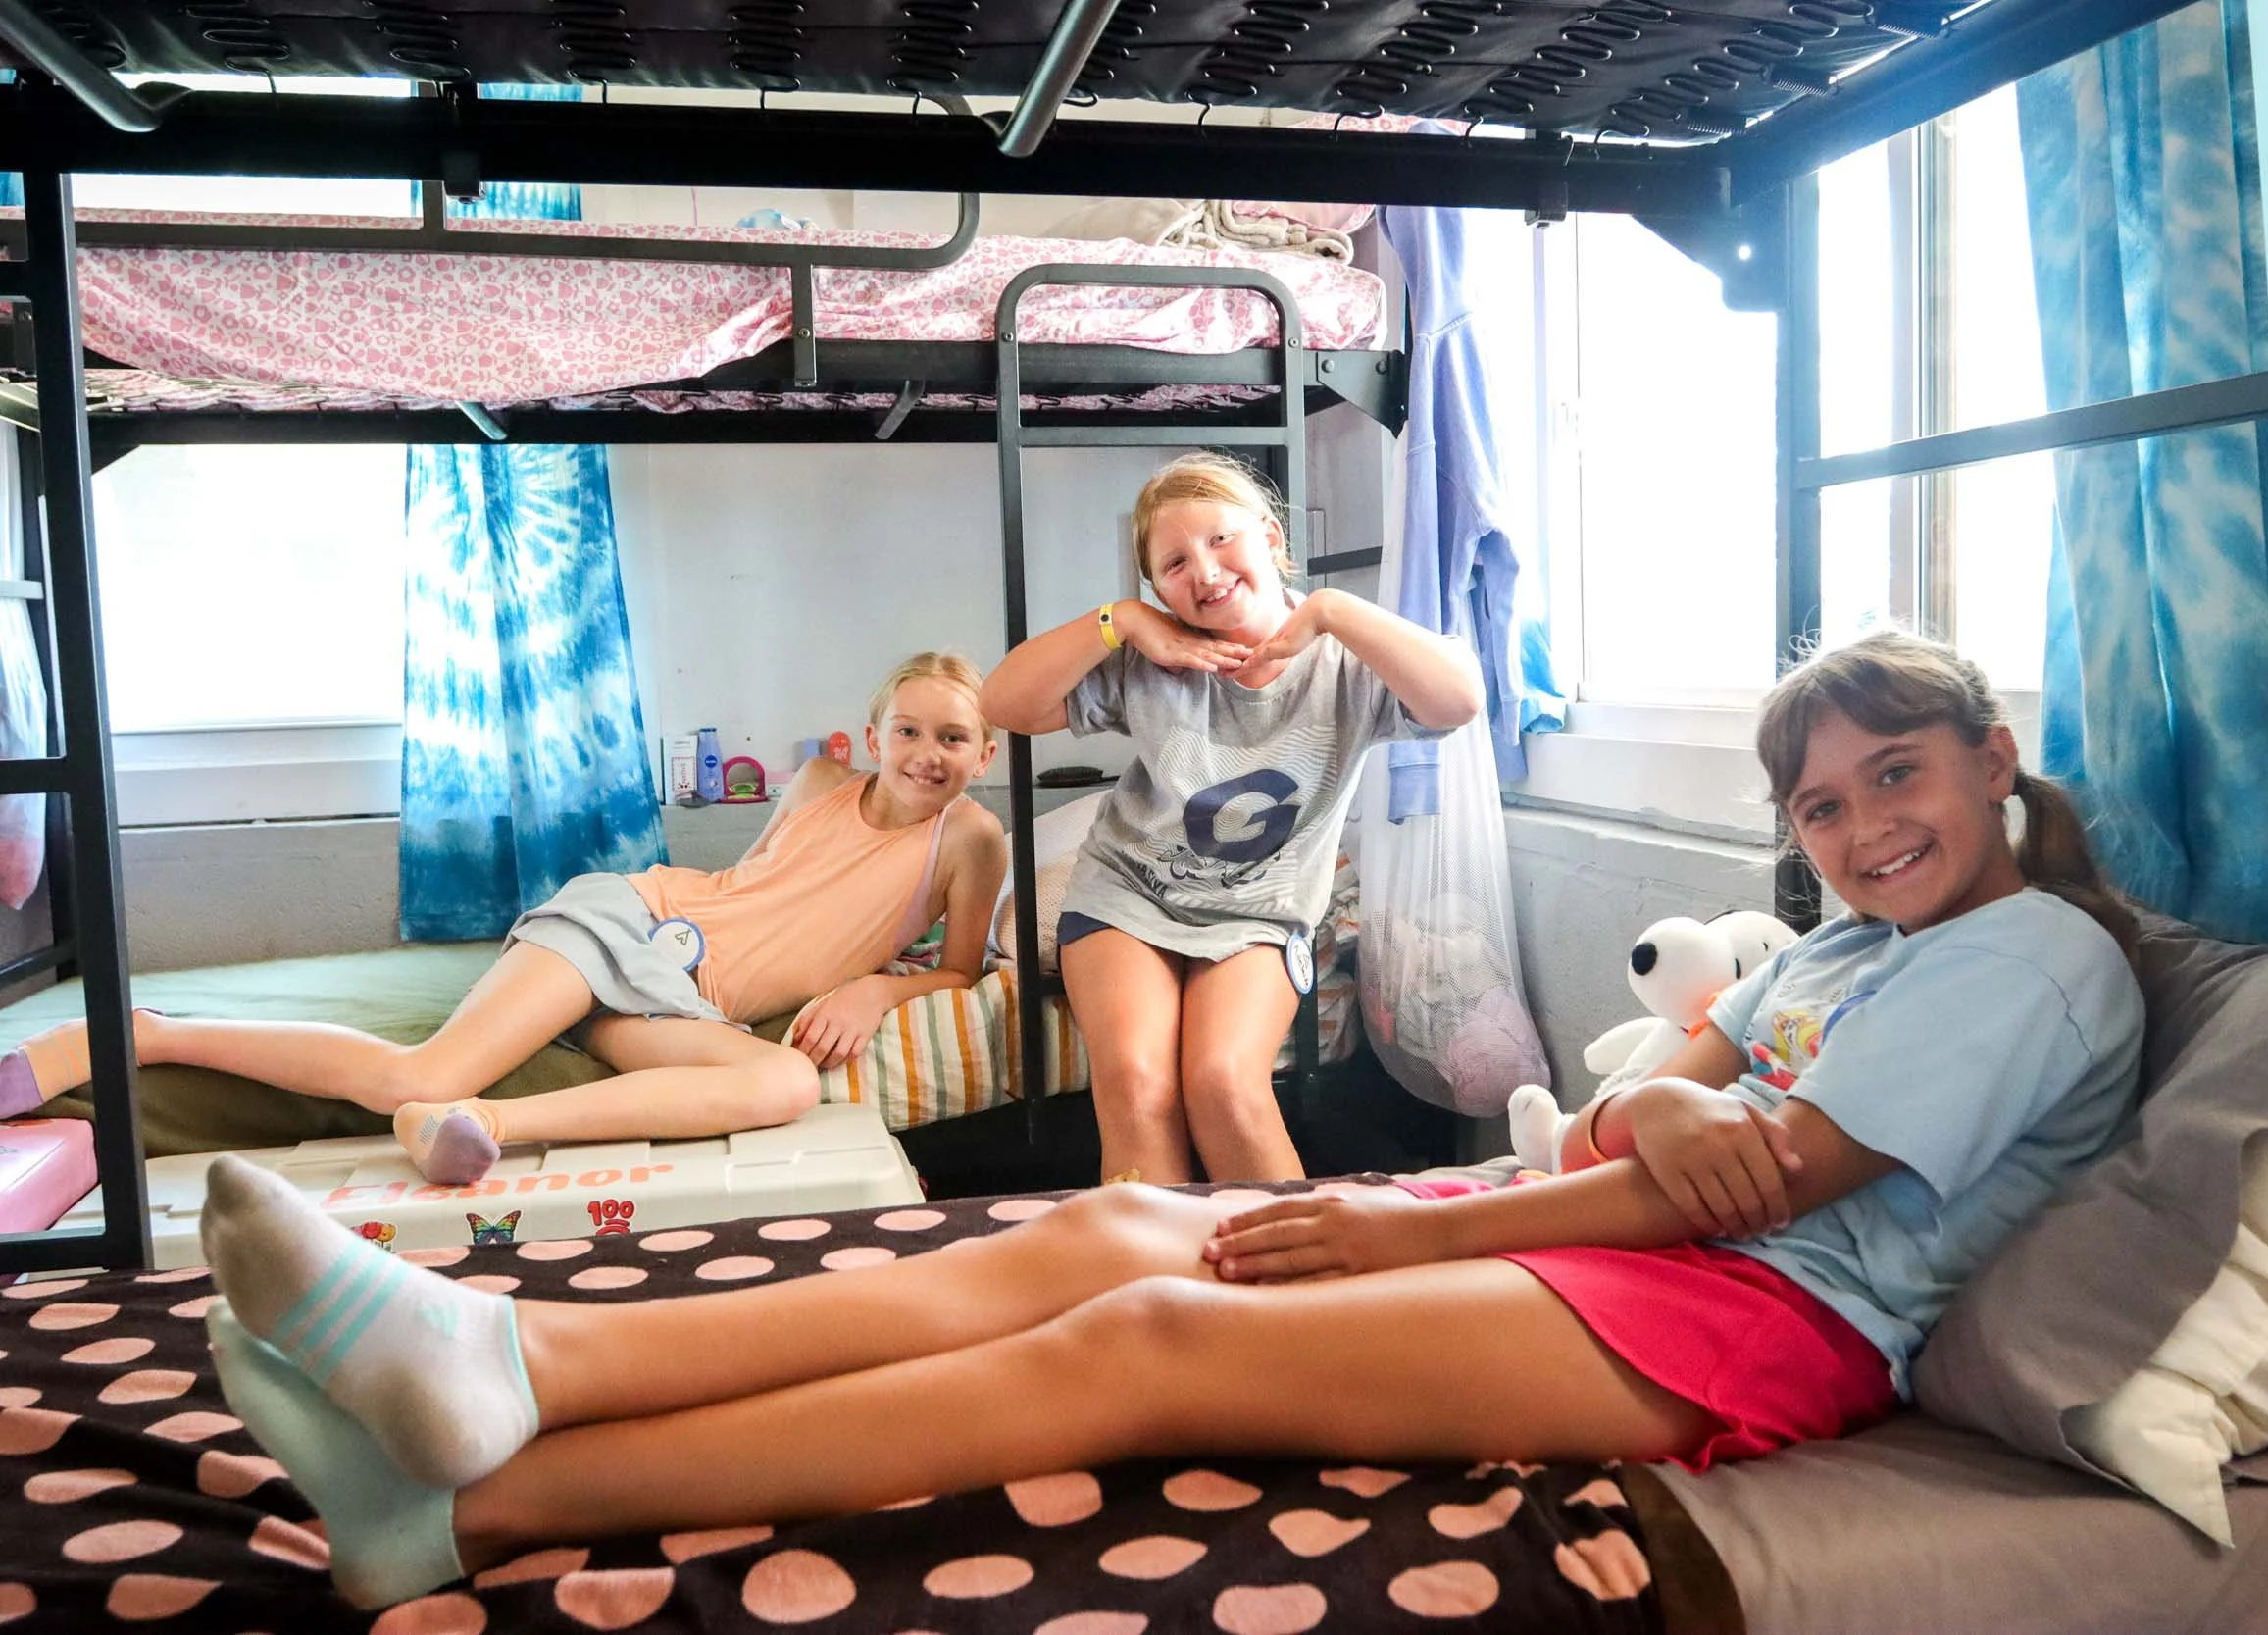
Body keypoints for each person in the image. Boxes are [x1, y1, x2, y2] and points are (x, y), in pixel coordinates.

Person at [197, 627, 2146, 1609]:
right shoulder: (1845, 950)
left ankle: (469, 1500)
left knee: (1148, 1331)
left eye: (1896, 775)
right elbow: (1686, 1087)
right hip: (1626, 1226)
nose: (1861, 823)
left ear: (1991, 757)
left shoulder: (2032, 954)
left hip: (1760, 1316)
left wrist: (1422, 1213)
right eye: (1818, 805)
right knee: (1080, 1229)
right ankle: (521, 1345)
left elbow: (1751, 1171)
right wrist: (1666, 1104)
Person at [2, 653, 1007, 1183]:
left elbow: (961, 972)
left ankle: (484, 1126)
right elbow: (755, 885)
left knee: (783, 1079)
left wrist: (878, 981)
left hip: (688, 1004)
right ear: (870, 733)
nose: (927, 750)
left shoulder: (972, 840)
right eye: (907, 728)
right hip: (639, 922)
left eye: (952, 737)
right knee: (422, 1066)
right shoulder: (824, 779)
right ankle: (143, 1033)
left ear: (985, 753)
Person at [980, 453, 1482, 1184]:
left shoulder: (1344, 660)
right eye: (1174, 562)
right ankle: (1161, 1283)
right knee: (1139, 1085)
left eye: (1221, 540)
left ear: (1272, 538)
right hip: (1128, 896)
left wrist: (1334, 610)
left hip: (1259, 913)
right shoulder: (1154, 657)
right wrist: (1119, 620)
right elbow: (1002, 704)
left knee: (1222, 1083)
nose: (1205, 571)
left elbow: (1460, 699)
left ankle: (1297, 1284)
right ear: (1157, 588)